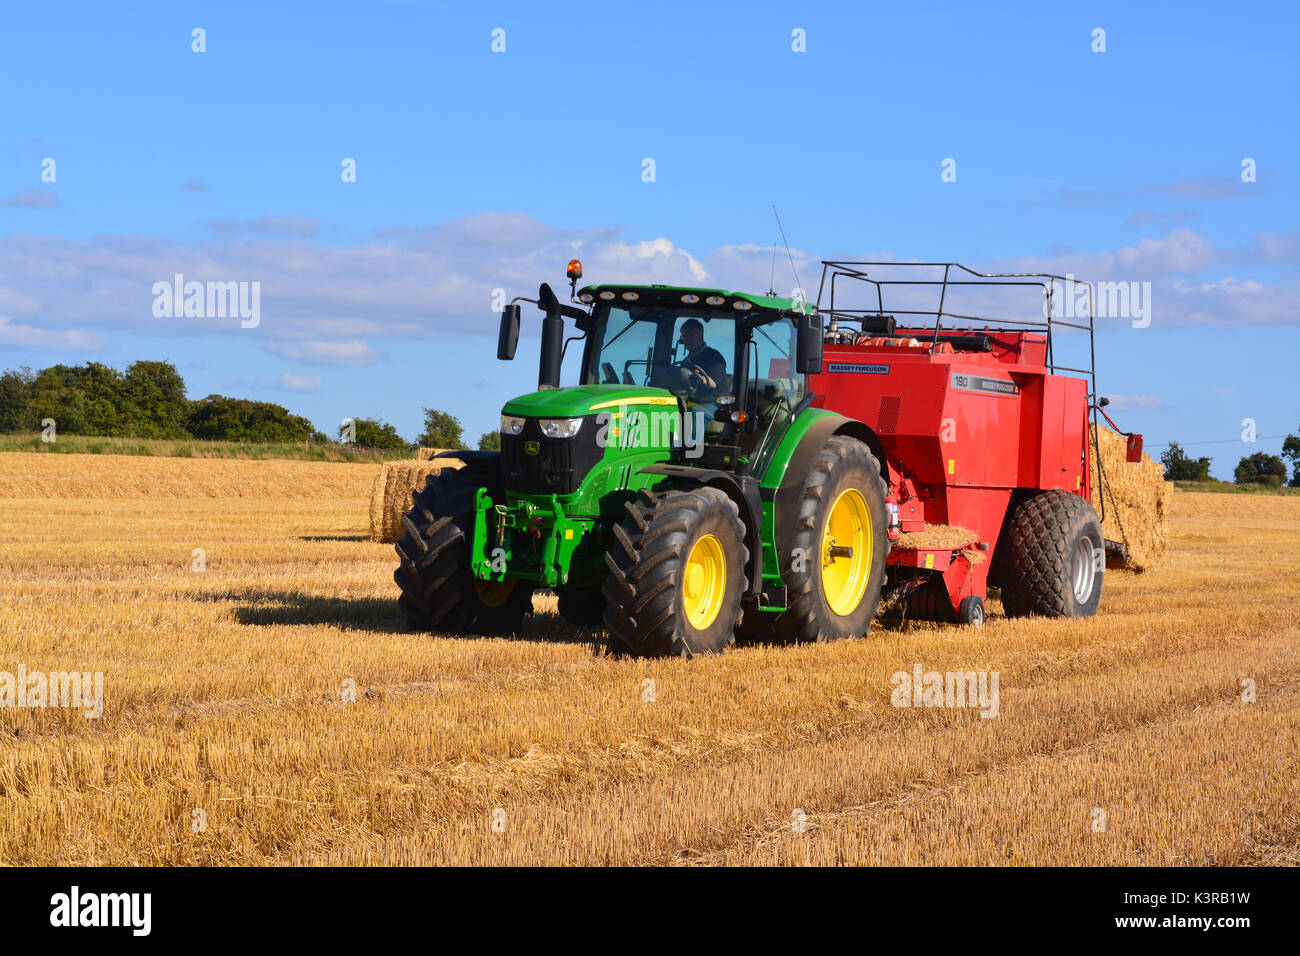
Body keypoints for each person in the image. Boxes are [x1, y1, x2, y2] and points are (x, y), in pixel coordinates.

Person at [674, 318, 727, 397]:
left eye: (692, 335)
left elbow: (713, 383)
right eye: (685, 336)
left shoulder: (714, 357)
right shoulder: (685, 362)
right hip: (690, 400)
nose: (688, 339)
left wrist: (698, 379)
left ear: (701, 336)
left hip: (712, 402)